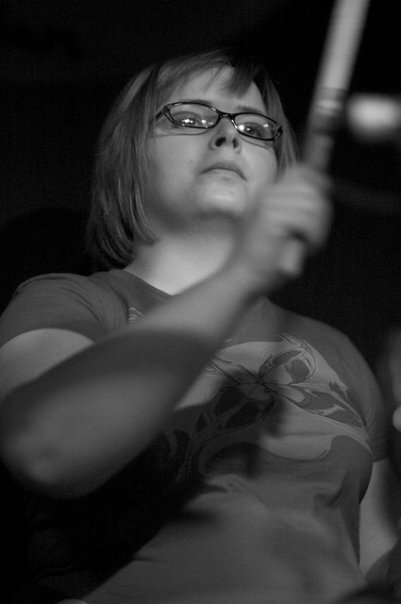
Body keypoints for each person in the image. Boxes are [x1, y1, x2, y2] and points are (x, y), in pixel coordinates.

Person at [0, 48, 399, 604]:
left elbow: (378, 574)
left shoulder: (336, 350)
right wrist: (242, 274)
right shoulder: (69, 302)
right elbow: (47, 449)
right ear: (128, 156)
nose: (228, 136)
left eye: (255, 128)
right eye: (190, 117)